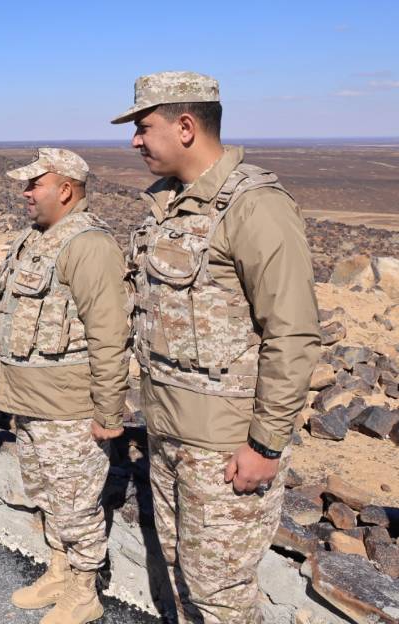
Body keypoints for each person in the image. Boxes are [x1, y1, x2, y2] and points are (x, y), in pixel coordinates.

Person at [112, 71, 321, 623]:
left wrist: (266, 445)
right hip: (167, 431)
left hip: (225, 446)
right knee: (181, 574)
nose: (134, 141)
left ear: (185, 126)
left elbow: (293, 333)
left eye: (143, 127)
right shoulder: (170, 205)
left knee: (220, 594)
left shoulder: (255, 207)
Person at [0, 148, 130, 623]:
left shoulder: (90, 246)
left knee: (76, 504)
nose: (26, 193)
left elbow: (110, 336)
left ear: (66, 190)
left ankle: (84, 590)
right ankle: (60, 570)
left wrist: (109, 413)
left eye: (35, 185)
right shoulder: (32, 240)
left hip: (68, 407)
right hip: (27, 400)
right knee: (47, 494)